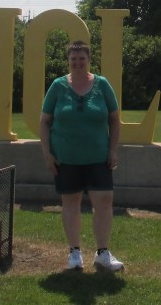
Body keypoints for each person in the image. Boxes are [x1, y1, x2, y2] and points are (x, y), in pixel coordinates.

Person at [40, 40, 124, 272]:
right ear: (68, 61)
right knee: (71, 202)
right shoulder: (58, 86)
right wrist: (47, 153)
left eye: (82, 59)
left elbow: (115, 119)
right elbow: (45, 121)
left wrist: (113, 149)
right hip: (66, 158)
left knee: (104, 201)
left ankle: (103, 253)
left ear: (89, 60)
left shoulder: (102, 84)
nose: (78, 63)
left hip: (99, 157)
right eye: (73, 59)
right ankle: (74, 253)